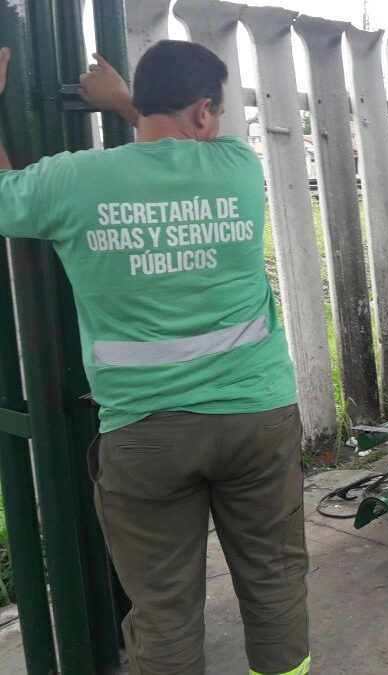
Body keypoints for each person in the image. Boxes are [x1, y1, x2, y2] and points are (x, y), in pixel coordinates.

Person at [0, 43, 310, 674]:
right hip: (256, 417)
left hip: (144, 435)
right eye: (216, 111)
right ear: (204, 112)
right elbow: (174, 142)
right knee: (275, 580)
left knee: (165, 609)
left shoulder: (72, 182)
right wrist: (124, 100)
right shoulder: (236, 167)